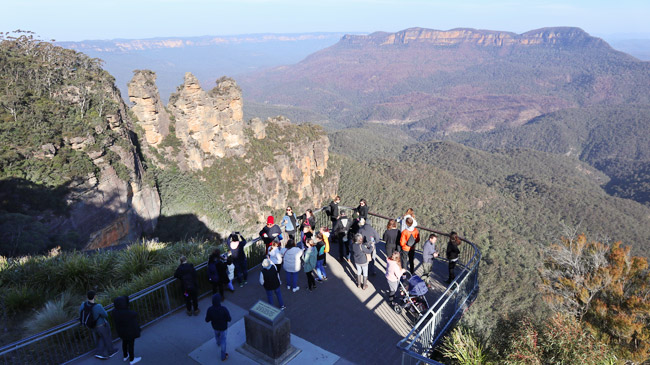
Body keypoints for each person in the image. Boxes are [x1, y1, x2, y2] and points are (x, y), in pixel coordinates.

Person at [80, 290, 118, 359]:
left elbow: (80, 312)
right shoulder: (98, 306)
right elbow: (105, 315)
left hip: (92, 326)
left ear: (87, 297)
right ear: (95, 297)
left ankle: (99, 352)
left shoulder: (83, 305)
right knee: (107, 337)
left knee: (101, 337)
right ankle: (111, 351)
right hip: (101, 325)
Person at [112, 296, 142, 364]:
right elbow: (135, 314)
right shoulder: (128, 313)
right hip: (130, 332)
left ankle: (125, 356)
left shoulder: (114, 311)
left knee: (124, 343)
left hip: (121, 332)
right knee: (131, 345)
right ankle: (132, 359)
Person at [205, 293, 232, 362]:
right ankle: (223, 357)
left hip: (215, 327)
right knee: (224, 341)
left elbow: (207, 320)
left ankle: (218, 342)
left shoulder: (210, 309)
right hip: (223, 328)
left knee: (216, 335)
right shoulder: (224, 309)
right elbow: (229, 319)